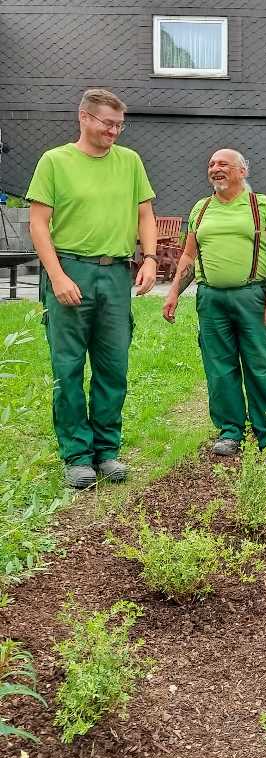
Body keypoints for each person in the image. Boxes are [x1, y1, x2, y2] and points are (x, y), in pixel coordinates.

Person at [27, 88, 158, 489]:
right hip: (71, 270)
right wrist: (57, 276)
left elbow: (145, 214)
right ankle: (77, 456)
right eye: (107, 123)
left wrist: (149, 258)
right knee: (67, 368)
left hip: (115, 275)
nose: (114, 131)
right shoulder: (55, 162)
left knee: (113, 366)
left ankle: (106, 451)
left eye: (120, 124)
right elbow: (37, 225)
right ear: (84, 117)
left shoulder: (130, 162)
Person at [163, 149, 266, 456]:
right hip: (212, 300)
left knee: (260, 365)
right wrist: (172, 293)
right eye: (211, 164)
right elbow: (189, 256)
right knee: (219, 368)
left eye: (223, 164)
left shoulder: (262, 206)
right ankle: (230, 431)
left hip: (253, 298)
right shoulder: (201, 209)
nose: (215, 169)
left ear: (242, 171)